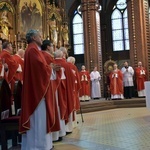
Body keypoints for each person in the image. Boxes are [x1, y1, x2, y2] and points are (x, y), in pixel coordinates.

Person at [19, 29, 56, 150]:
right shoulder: (32, 50)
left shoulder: (33, 50)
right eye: (39, 36)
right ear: (34, 38)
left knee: (40, 119)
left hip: (36, 89)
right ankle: (39, 146)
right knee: (39, 120)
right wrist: (50, 68)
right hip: (37, 92)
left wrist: (48, 67)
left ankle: (41, 144)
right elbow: (40, 68)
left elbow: (40, 66)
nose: (41, 38)